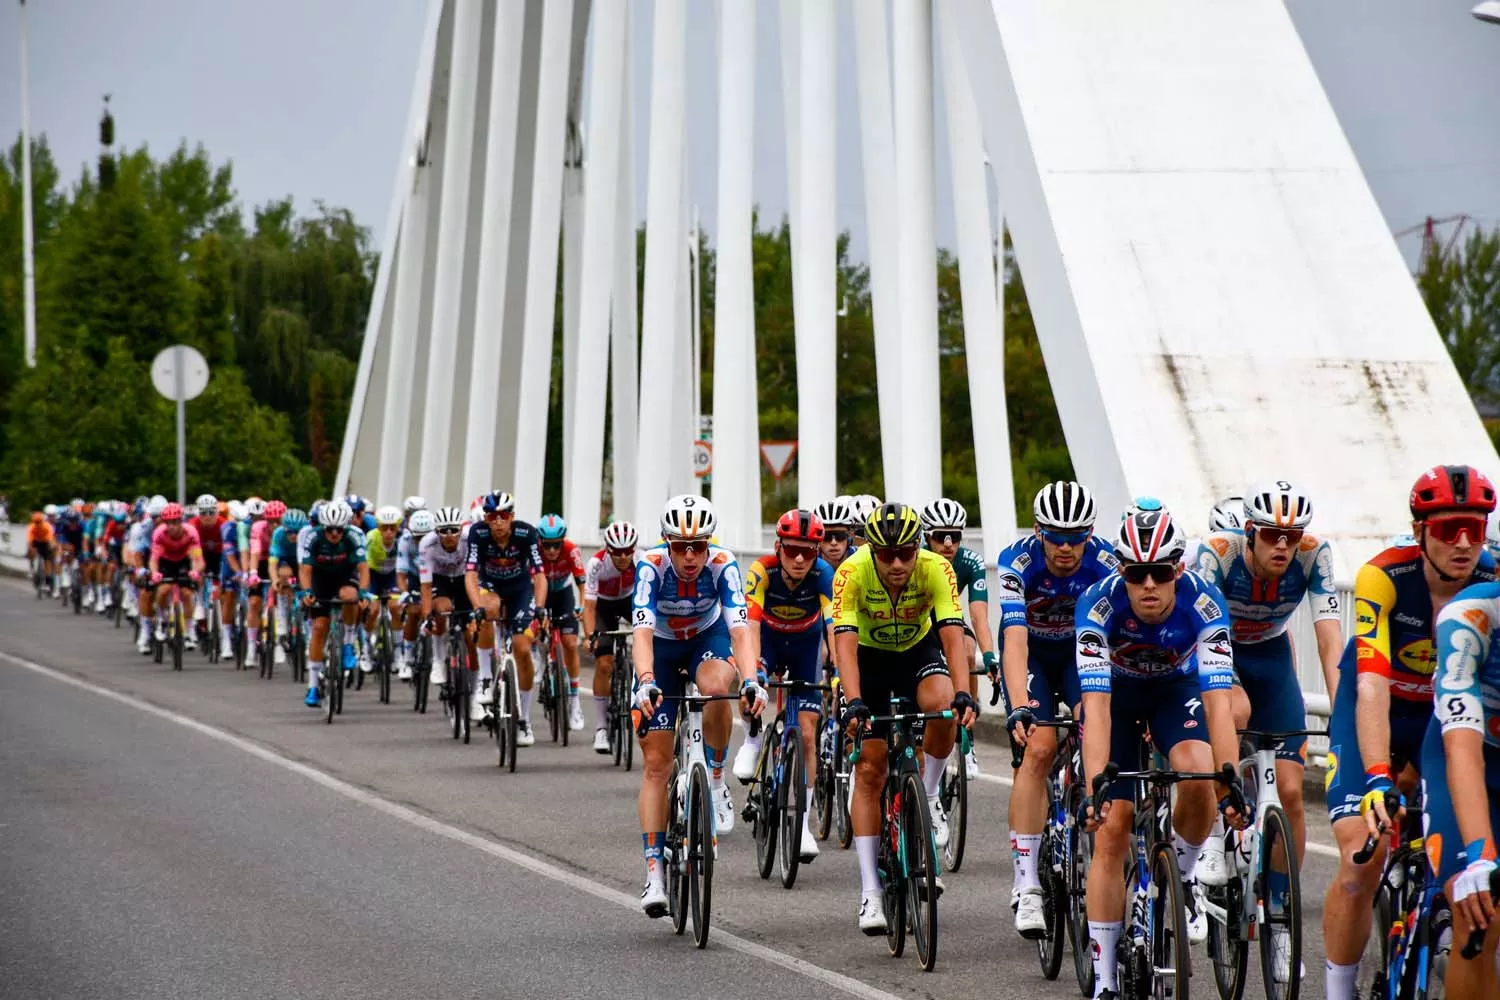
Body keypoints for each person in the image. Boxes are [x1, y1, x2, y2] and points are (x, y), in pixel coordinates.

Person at [1322, 465, 1498, 1000]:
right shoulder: (1385, 576)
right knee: (1363, 855)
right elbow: (1371, 685)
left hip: (1442, 718)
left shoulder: (1489, 582)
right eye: (1448, 529)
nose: (1464, 542)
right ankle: (1339, 991)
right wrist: (1377, 775)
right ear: (1420, 531)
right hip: (1376, 706)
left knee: (1445, 859)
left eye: (1475, 526)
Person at [1077, 507, 1247, 1000]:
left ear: (1179, 569)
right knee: (1112, 828)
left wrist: (1229, 779)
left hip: (1177, 691)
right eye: (1136, 573)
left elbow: (1218, 703)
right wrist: (1096, 790)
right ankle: (1105, 976)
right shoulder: (1097, 606)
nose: (1149, 584)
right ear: (1121, 573)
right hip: (1119, 699)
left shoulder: (1205, 603)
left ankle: (1187, 874)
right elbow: (1097, 710)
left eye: (1161, 572)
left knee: (1198, 770)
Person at [1190, 481, 1341, 968]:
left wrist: (1341, 713)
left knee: (1292, 794)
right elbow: (1204, 635)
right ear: (1250, 532)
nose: (1283, 545)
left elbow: (1329, 643)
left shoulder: (1315, 557)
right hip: (1219, 651)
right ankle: (1214, 832)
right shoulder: (1217, 555)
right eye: (1272, 534)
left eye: (1292, 536)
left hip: (1271, 656)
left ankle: (1279, 916)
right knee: (1233, 712)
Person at [834, 502, 976, 933]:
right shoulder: (852, 572)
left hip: (916, 650)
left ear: (917, 548)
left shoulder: (937, 568)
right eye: (886, 554)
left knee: (943, 704)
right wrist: (854, 700)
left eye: (905, 553)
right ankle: (870, 893)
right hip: (869, 659)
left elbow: (952, 634)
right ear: (872, 550)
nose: (897, 563)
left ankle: (928, 795)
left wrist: (966, 690)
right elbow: (843, 641)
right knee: (871, 770)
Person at [632, 495, 765, 917]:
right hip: (665, 652)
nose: (690, 556)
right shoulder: (650, 567)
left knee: (714, 687)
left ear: (709, 544)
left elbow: (740, 630)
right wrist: (646, 682)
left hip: (706, 642)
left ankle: (716, 778)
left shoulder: (723, 563)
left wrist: (750, 680)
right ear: (666, 544)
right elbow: (642, 634)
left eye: (698, 546)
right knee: (655, 764)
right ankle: (654, 873)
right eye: (680, 547)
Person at [997, 481, 1118, 938]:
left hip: (1079, 656)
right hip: (1033, 657)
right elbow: (1014, 639)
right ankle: (1027, 885)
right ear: (1038, 530)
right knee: (1041, 746)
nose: (1066, 548)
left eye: (1076, 537)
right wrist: (1020, 707)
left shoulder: (1106, 561)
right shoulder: (1017, 561)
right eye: (1056, 536)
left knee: (1095, 729)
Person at [733, 508, 836, 861]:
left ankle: (803, 823)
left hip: (806, 647)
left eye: (808, 551)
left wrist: (835, 670)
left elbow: (834, 625)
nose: (798, 558)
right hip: (770, 644)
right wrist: (754, 675)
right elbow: (751, 627)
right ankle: (751, 739)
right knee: (749, 690)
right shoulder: (762, 571)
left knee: (807, 735)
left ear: (817, 553)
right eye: (791, 549)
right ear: (778, 546)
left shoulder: (824, 574)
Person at [1423, 582, 1500, 998]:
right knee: (1479, 911)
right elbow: (1463, 752)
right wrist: (1478, 857)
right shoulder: (1468, 620)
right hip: (1463, 756)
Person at [921, 497, 996, 778]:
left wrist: (988, 656)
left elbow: (978, 615)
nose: (949, 544)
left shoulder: (970, 561)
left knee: (966, 650)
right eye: (941, 537)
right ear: (928, 537)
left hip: (949, 621)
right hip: (917, 625)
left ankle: (967, 732)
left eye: (956, 537)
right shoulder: (916, 558)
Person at [464, 492, 548, 737]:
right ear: (486, 518)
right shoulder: (478, 534)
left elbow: (540, 575)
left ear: (512, 517)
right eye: (492, 516)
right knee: (487, 610)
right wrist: (477, 606)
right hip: (490, 586)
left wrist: (540, 607)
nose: (498, 522)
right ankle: (486, 679)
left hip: (520, 590)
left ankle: (523, 720)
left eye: (503, 516)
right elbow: (470, 573)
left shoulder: (527, 534)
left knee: (522, 649)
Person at [297, 499, 369, 708]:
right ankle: (312, 686)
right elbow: (305, 570)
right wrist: (307, 591)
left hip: (346, 576)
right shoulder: (313, 536)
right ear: (323, 526)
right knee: (319, 627)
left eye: (339, 530)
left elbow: (363, 568)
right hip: (320, 579)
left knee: (349, 596)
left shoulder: (355, 535)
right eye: (330, 530)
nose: (335, 534)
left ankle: (347, 644)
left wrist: (363, 593)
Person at [582, 519, 638, 752]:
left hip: (629, 601)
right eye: (617, 552)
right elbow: (589, 606)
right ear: (608, 549)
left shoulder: (642, 560)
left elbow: (650, 598)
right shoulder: (596, 563)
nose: (623, 557)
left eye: (627, 552)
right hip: (603, 606)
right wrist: (589, 636)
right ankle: (601, 728)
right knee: (604, 663)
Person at [536, 514, 588, 732]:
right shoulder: (535, 551)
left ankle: (574, 700)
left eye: (556, 545)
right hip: (541, 593)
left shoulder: (572, 550)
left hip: (564, 594)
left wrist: (582, 606)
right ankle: (541, 658)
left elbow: (582, 585)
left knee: (568, 642)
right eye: (547, 545)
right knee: (537, 631)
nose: (551, 551)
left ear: (562, 541)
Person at [418, 505, 474, 694]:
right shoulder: (427, 544)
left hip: (463, 579)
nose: (449, 535)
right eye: (444, 531)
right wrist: (427, 616)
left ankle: (476, 688)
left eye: (454, 530)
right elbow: (425, 585)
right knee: (442, 609)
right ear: (436, 532)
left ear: (460, 529)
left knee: (470, 634)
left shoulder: (470, 539)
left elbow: (477, 575)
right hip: (440, 580)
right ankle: (439, 660)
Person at [147, 502, 205, 648]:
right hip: (166, 561)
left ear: (181, 521)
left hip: (183, 561)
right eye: (168, 523)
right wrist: (154, 573)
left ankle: (189, 630)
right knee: (163, 590)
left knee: (186, 593)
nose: (171, 526)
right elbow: (154, 559)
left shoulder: (191, 532)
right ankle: (161, 620)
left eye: (175, 522)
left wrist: (195, 571)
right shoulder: (160, 533)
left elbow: (199, 559)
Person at [814, 497, 856, 568]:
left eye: (840, 536)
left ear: (849, 536)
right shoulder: (809, 562)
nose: (834, 542)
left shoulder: (864, 557)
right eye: (826, 536)